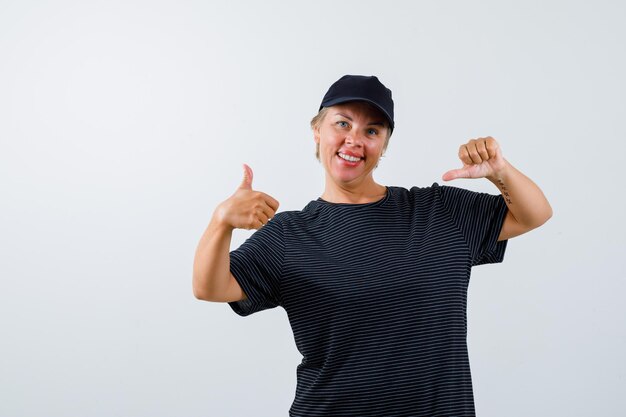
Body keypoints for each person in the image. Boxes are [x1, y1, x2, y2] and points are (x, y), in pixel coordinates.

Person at [192, 74, 553, 416]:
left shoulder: (438, 211)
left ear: (383, 146)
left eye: (372, 130)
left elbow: (533, 214)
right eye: (342, 123)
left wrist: (499, 171)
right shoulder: (290, 234)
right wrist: (221, 221)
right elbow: (210, 287)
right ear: (317, 131)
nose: (354, 140)